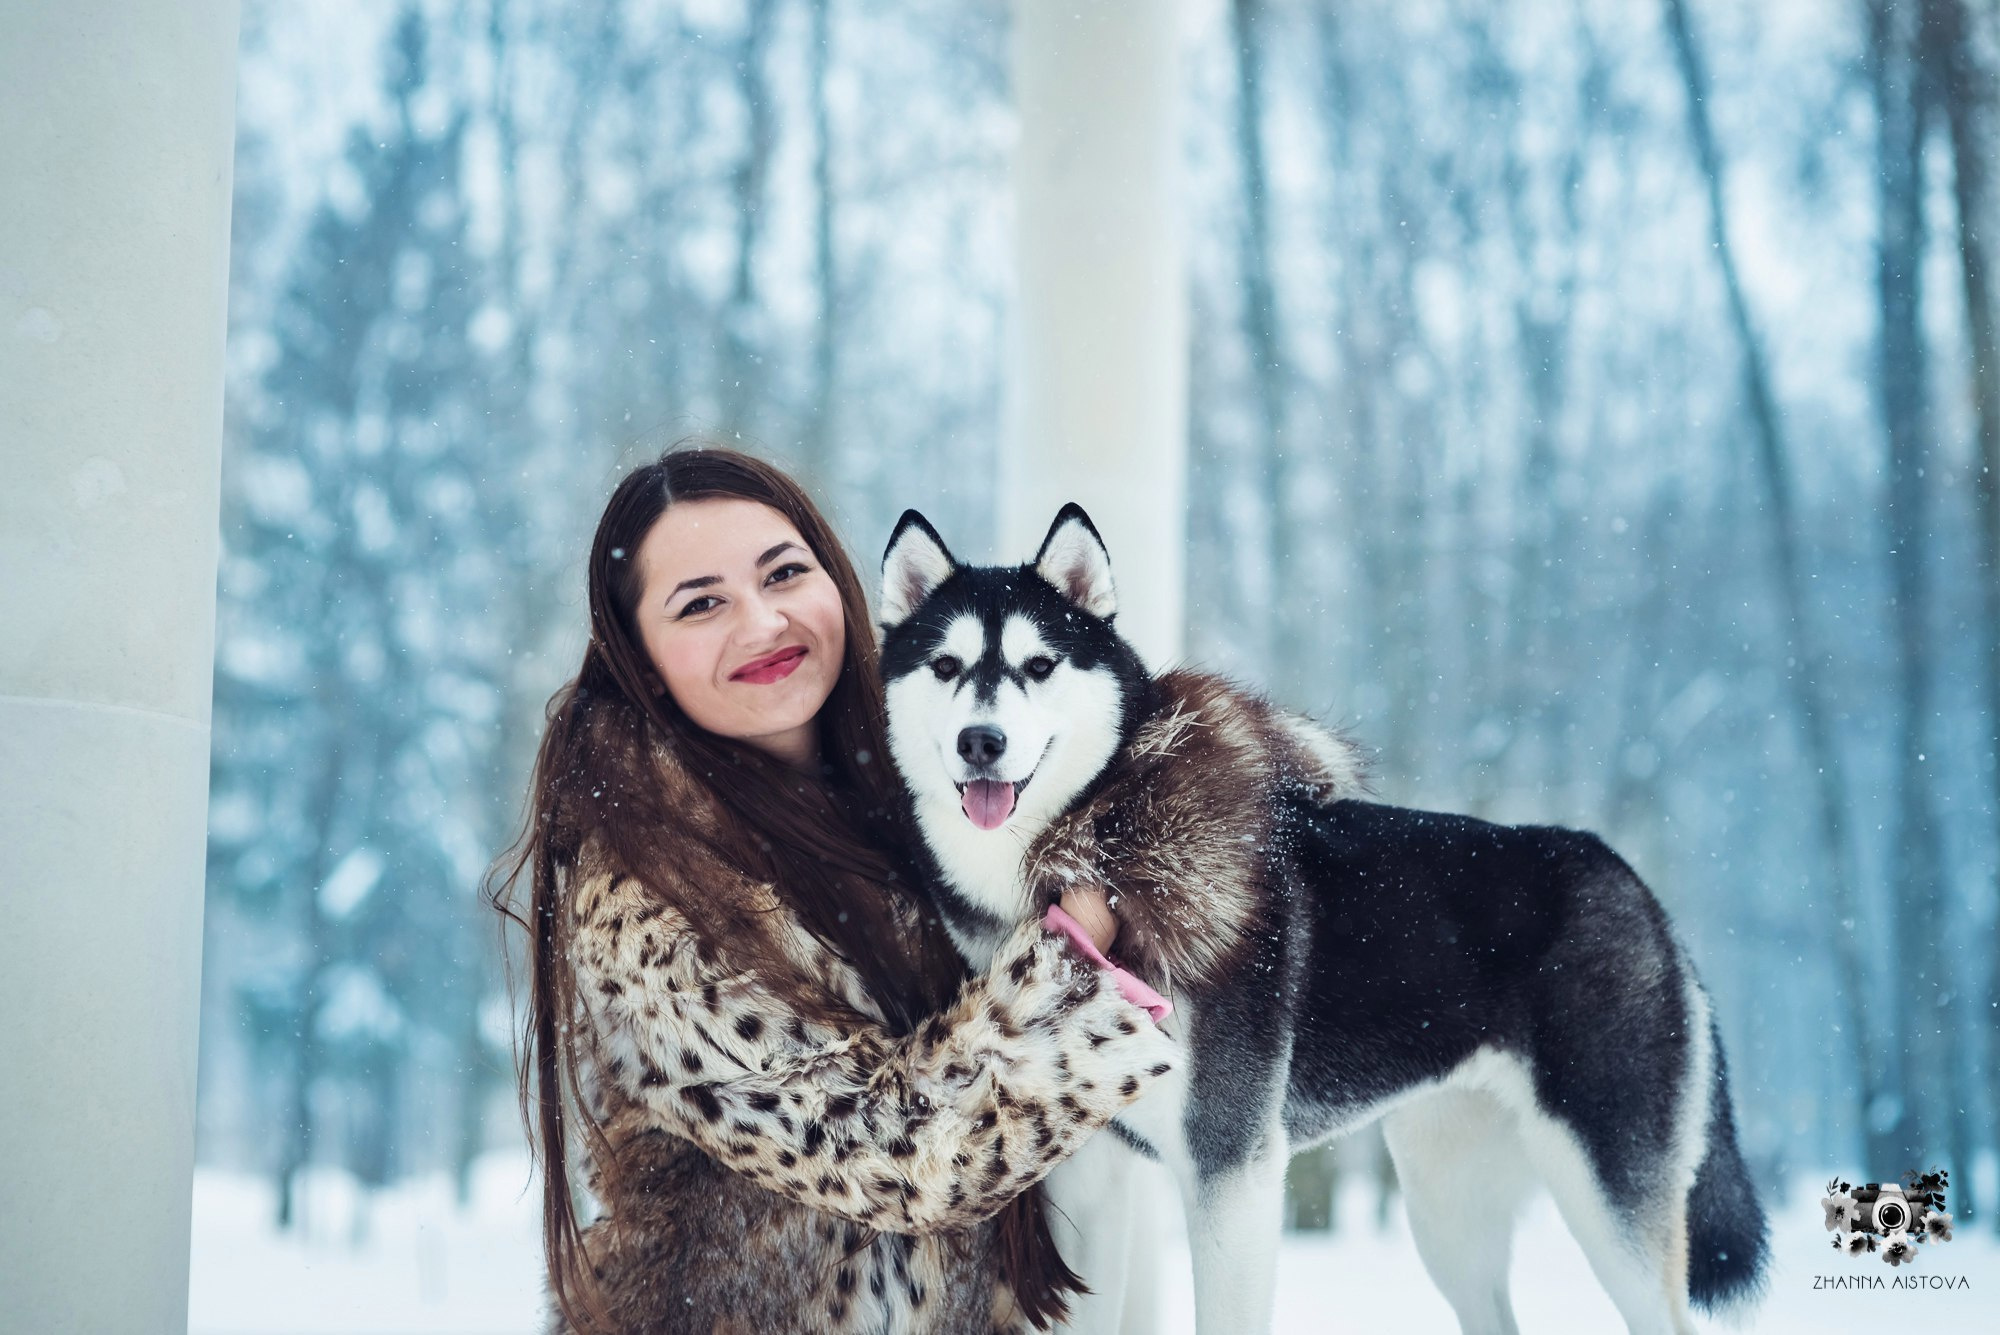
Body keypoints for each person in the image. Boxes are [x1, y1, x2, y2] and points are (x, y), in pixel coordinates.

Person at [491, 446, 1178, 1335]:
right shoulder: (646, 901)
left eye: (784, 573)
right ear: (643, 661)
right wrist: (1076, 948)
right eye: (701, 603)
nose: (763, 621)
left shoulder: (921, 804)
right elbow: (904, 1156)